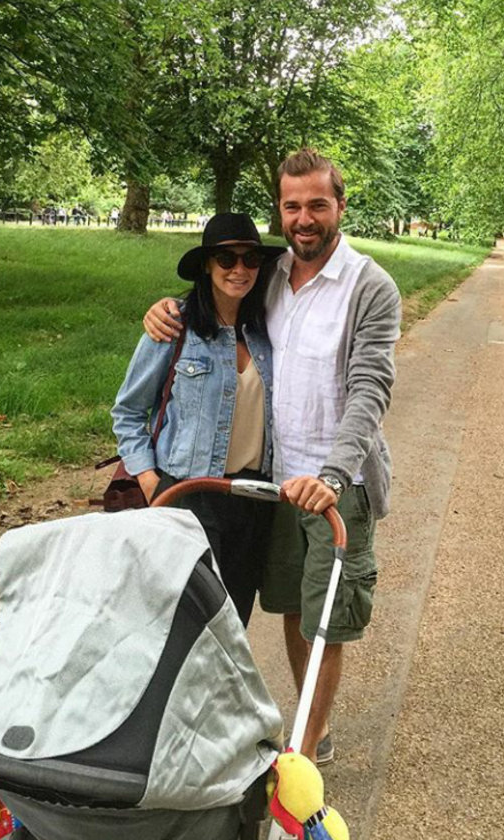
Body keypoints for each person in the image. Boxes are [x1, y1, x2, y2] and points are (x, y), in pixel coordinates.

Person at [143, 149, 401, 766]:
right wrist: (164, 308)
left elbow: (370, 389)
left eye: (318, 204)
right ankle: (316, 722)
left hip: (340, 485)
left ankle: (305, 749)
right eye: (292, 206)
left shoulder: (371, 287)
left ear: (341, 206)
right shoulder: (270, 276)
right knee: (290, 606)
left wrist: (333, 475)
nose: (304, 218)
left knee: (325, 621)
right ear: (280, 212)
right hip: (278, 482)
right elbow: (217, 298)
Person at [112, 213, 286, 627]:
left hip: (253, 498)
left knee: (233, 623)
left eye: (250, 259)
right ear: (207, 265)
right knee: (185, 623)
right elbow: (128, 411)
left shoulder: (268, 330)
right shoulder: (175, 326)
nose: (239, 269)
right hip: (189, 494)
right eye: (226, 259)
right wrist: (150, 479)